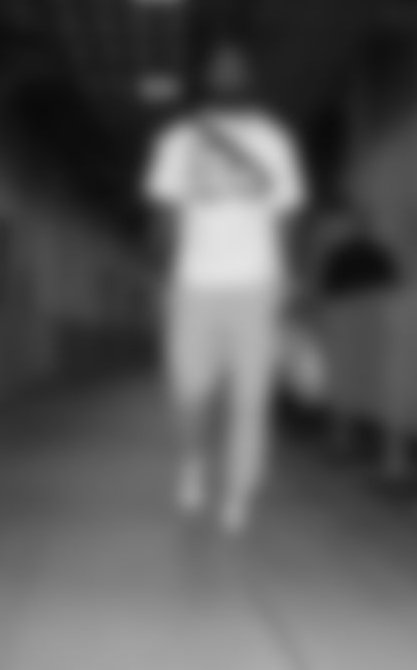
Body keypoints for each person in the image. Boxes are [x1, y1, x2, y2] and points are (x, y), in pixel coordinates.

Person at [143, 43, 305, 535]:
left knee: (250, 398)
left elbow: (286, 213)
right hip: (194, 283)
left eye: (237, 67)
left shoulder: (273, 140)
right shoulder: (179, 140)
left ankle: (238, 494)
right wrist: (162, 276)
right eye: (219, 68)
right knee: (187, 392)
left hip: (256, 282)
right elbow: (165, 213)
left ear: (250, 76)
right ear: (206, 77)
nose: (228, 74)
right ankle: (192, 465)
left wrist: (287, 275)